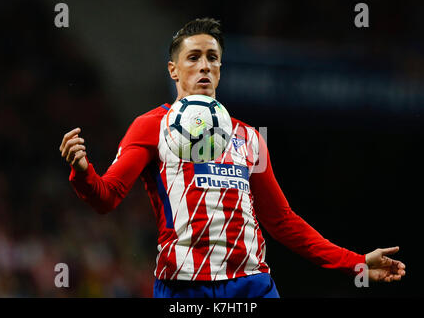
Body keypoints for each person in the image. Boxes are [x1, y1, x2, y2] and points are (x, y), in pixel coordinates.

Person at [59, 18, 406, 298]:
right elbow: (106, 198)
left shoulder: (249, 137)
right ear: (173, 70)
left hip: (250, 285)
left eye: (212, 57)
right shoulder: (150, 127)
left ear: (221, 69)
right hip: (184, 289)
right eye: (193, 57)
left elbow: (282, 221)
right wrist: (82, 171)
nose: (205, 66)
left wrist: (356, 263)